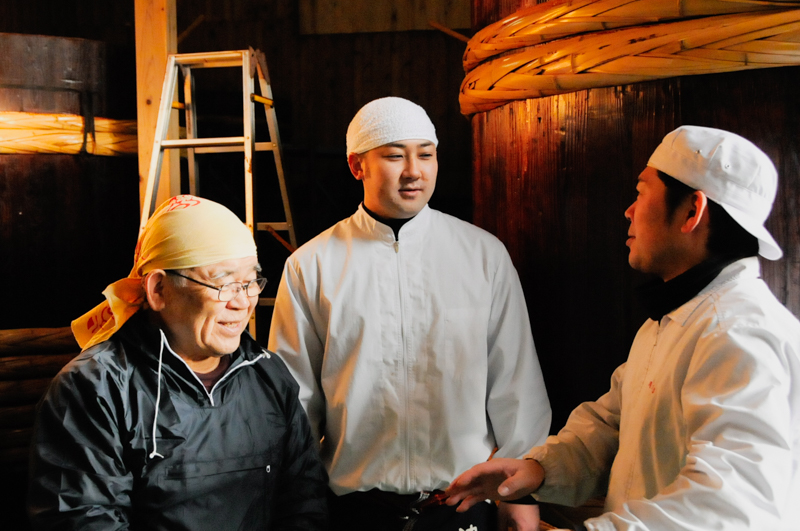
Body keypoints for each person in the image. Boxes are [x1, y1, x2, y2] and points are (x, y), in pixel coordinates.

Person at [445, 126, 800, 530]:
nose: (628, 211)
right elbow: (613, 425)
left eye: (641, 192)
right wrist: (537, 470)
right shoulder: (676, 317)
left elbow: (730, 503)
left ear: (691, 212)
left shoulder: (737, 332)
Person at [268, 97, 551, 531]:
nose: (414, 171)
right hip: (352, 510)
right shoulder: (312, 265)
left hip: (462, 504)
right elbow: (295, 400)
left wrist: (520, 495)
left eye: (426, 154)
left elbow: (516, 382)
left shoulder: (483, 256)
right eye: (395, 155)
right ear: (356, 165)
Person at [28, 195, 328, 530]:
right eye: (225, 283)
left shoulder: (267, 373)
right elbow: (82, 518)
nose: (243, 302)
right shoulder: (95, 387)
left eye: (249, 282)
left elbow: (304, 501)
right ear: (158, 289)